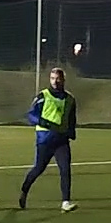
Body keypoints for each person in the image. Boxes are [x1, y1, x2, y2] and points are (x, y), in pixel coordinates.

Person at [19, 67, 78, 212]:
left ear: (63, 80)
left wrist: (71, 131)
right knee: (38, 168)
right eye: (52, 78)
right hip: (45, 139)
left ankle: (65, 202)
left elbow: (71, 118)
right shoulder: (43, 96)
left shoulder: (70, 99)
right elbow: (30, 115)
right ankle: (24, 190)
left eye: (58, 78)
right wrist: (43, 122)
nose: (55, 81)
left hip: (61, 140)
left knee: (65, 169)